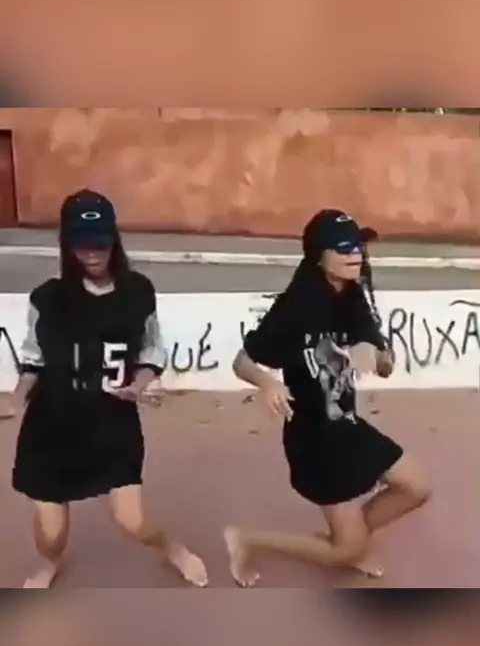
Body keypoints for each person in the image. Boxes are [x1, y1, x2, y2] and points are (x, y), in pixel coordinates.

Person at [3, 189, 208, 589]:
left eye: (100, 242)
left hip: (111, 424)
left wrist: (140, 384)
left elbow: (151, 350)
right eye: (82, 243)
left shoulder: (138, 292)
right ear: (67, 243)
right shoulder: (46, 299)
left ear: (114, 238)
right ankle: (49, 564)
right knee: (51, 535)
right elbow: (33, 361)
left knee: (132, 521)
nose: (92, 253)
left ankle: (174, 550)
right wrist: (15, 397)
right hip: (52, 427)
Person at [225, 208, 431, 586]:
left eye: (358, 246)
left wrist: (378, 355)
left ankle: (349, 541)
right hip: (314, 439)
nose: (356, 254)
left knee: (416, 488)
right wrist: (267, 383)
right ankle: (248, 540)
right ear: (319, 257)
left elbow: (382, 362)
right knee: (347, 552)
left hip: (346, 424)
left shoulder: (353, 295)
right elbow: (242, 361)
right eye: (344, 247)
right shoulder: (296, 307)